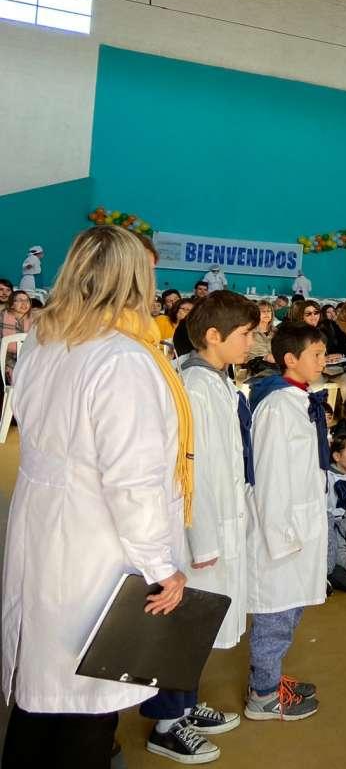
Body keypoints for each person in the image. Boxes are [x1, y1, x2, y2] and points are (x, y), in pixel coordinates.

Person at [1, 227, 189, 767]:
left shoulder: (44, 339)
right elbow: (133, 479)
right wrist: (160, 564)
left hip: (44, 525)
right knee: (88, 693)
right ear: (134, 280)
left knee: (43, 690)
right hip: (95, 541)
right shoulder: (122, 358)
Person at [143, 292, 257, 763]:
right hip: (199, 534)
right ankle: (166, 723)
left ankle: (185, 707)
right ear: (214, 335)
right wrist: (205, 540)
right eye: (246, 334)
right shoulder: (195, 386)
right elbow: (197, 472)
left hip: (220, 524)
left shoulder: (216, 381)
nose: (252, 343)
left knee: (201, 625)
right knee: (185, 626)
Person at [243, 321, 330, 721]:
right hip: (280, 530)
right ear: (290, 359)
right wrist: (282, 536)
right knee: (275, 613)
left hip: (300, 523)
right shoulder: (277, 407)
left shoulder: (298, 399)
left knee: (291, 608)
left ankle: (271, 678)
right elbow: (270, 477)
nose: (323, 361)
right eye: (317, 354)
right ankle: (263, 695)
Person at [0, 288, 33, 384]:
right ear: (12, 304)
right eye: (20, 300)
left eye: (27, 300)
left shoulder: (35, 318)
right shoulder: (2, 317)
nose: (24, 304)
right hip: (6, 358)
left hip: (28, 358)